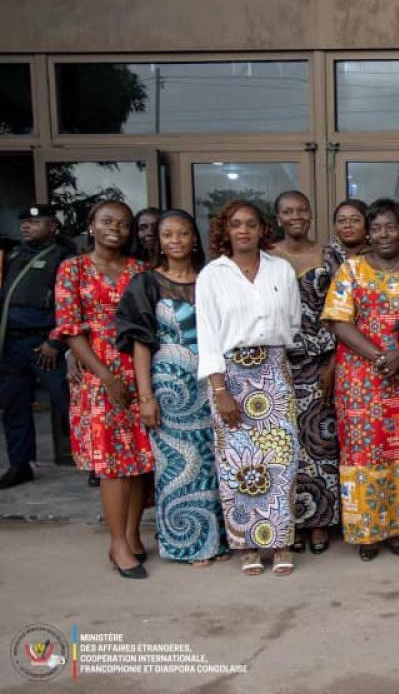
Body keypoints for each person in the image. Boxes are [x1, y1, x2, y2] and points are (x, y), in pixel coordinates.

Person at [115, 209, 228, 566]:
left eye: (183, 234)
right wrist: (145, 397)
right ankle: (188, 544)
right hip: (170, 387)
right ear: (159, 242)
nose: (176, 241)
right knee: (180, 463)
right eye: (168, 235)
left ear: (194, 238)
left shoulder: (211, 279)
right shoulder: (146, 283)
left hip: (214, 381)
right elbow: (140, 344)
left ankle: (219, 540)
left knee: (214, 462)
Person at [196, 200, 302, 576]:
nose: (244, 230)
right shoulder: (212, 275)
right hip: (231, 376)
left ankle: (282, 540)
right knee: (237, 463)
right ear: (226, 230)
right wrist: (220, 389)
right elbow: (207, 334)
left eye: (251, 224)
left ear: (262, 230)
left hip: (274, 370)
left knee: (282, 458)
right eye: (236, 224)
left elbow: (292, 321)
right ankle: (247, 544)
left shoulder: (281, 269)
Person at [322, 198, 399, 561]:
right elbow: (339, 320)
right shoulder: (351, 270)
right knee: (363, 453)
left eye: (391, 226)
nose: (383, 234)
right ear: (369, 233)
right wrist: (380, 356)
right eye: (376, 227)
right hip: (360, 378)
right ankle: (367, 531)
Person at [54, 200, 153, 578]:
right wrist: (105, 376)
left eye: (124, 224)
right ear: (91, 226)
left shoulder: (139, 270)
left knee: (138, 462)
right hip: (98, 376)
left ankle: (130, 535)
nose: (117, 229)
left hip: (139, 369)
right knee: (112, 464)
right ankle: (116, 544)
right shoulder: (73, 268)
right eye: (108, 222)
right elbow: (69, 327)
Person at [271, 190, 340, 555]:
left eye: (302, 210)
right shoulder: (265, 257)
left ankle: (321, 523)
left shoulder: (332, 255)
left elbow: (347, 312)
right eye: (288, 211)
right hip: (276, 361)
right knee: (284, 444)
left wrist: (334, 364)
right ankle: (290, 521)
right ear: (278, 217)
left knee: (321, 442)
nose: (295, 216)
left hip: (322, 360)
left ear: (311, 214)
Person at [0, 205, 74, 489]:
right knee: (14, 406)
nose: (26, 227)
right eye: (24, 222)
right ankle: (20, 464)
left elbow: (67, 304)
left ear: (52, 227)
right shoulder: (15, 255)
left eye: (34, 222)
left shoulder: (63, 258)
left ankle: (94, 463)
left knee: (68, 404)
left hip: (45, 344)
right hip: (13, 344)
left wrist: (55, 341)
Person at [328, 198, 371, 265]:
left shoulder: (378, 254)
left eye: (354, 220)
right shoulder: (326, 255)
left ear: (368, 224)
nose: (347, 225)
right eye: (341, 220)